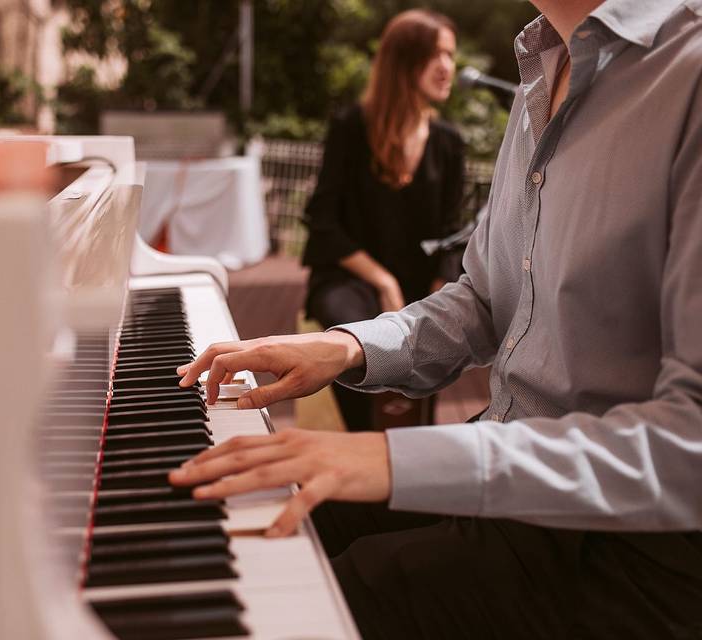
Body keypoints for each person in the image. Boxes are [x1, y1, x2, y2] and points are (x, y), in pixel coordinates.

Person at [170, 0, 702, 637]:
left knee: (276, 604)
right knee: (245, 513)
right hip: (502, 455)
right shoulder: (545, 67)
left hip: (623, 539)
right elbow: (483, 298)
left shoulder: (689, 72)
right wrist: (345, 347)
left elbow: (689, 444)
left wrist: (394, 460)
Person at [303, 9, 465, 430]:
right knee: (354, 327)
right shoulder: (351, 127)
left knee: (433, 333)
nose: (448, 66)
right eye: (436, 54)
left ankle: (406, 448)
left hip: (419, 282)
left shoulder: (449, 143)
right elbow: (322, 220)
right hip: (352, 278)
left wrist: (436, 296)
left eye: (451, 54)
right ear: (403, 61)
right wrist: (383, 280)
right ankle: (361, 442)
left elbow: (452, 234)